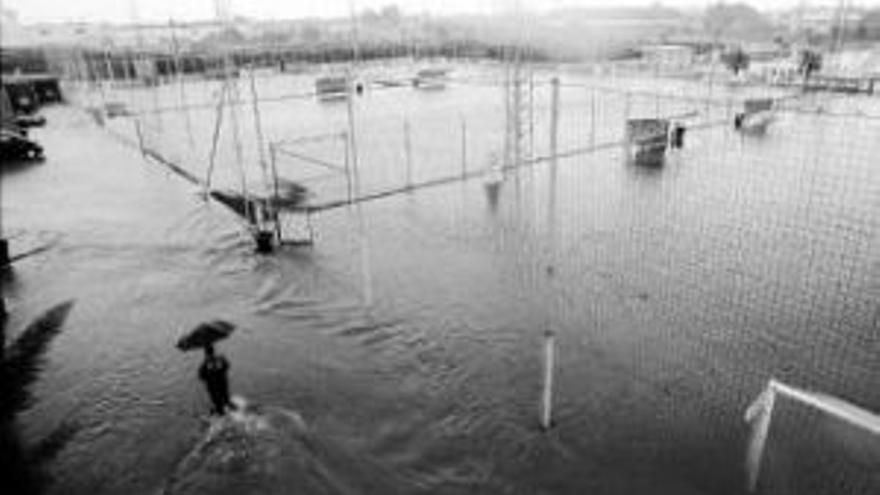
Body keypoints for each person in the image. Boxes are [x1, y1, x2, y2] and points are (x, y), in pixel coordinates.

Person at [199, 344, 234, 415]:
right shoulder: (220, 358)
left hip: (213, 387)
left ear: (206, 353)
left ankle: (221, 413)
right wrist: (221, 371)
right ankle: (229, 406)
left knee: (217, 401)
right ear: (214, 351)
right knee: (225, 396)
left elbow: (201, 376)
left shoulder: (205, 364)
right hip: (223, 382)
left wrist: (209, 375)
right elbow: (227, 366)